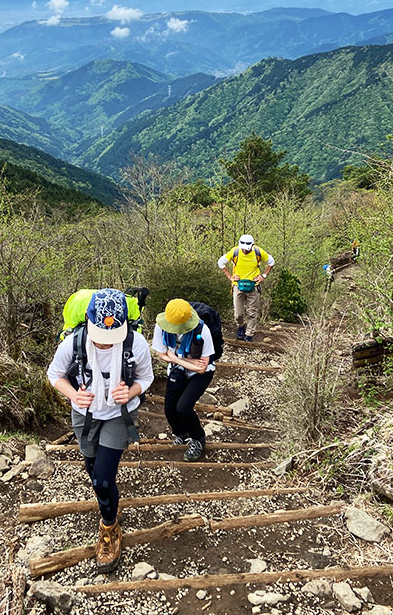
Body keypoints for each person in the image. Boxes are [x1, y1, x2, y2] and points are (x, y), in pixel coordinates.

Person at [46, 288, 154, 573]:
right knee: (93, 472)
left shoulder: (136, 343)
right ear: (89, 321)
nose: (105, 344)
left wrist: (130, 391)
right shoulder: (74, 343)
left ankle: (109, 528)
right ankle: (110, 506)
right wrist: (73, 395)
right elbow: (54, 375)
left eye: (112, 337)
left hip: (119, 414)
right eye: (101, 336)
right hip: (85, 414)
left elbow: (147, 377)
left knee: (103, 480)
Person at [151, 299, 217, 462]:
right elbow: (161, 354)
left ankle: (198, 438)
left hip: (200, 375)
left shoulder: (203, 330)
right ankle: (182, 433)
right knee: (169, 410)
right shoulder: (161, 326)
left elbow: (202, 367)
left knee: (183, 407)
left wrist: (176, 358)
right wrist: (188, 362)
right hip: (177, 371)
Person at [217, 234, 274, 341]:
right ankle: (240, 326)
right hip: (238, 285)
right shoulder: (235, 252)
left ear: (252, 245)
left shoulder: (258, 252)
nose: (245, 251)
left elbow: (271, 262)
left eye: (247, 249)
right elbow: (221, 262)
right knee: (238, 314)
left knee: (252, 312)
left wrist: (263, 276)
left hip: (254, 286)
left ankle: (249, 335)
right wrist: (230, 277)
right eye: (243, 249)